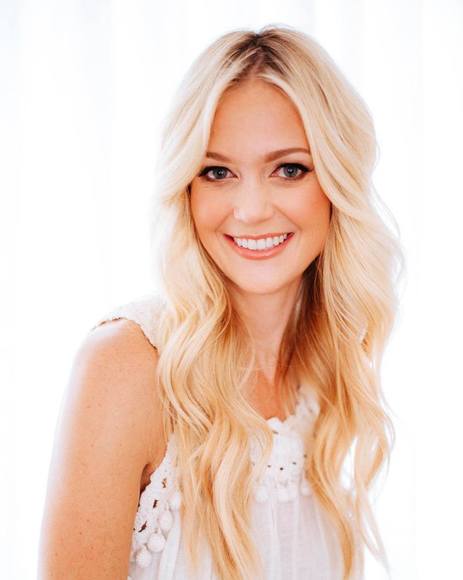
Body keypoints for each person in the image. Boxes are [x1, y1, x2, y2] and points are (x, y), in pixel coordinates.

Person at [38, 25, 404, 580]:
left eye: (289, 169)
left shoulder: (323, 373)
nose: (251, 209)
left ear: (337, 183)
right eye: (217, 172)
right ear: (186, 189)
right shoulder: (126, 367)